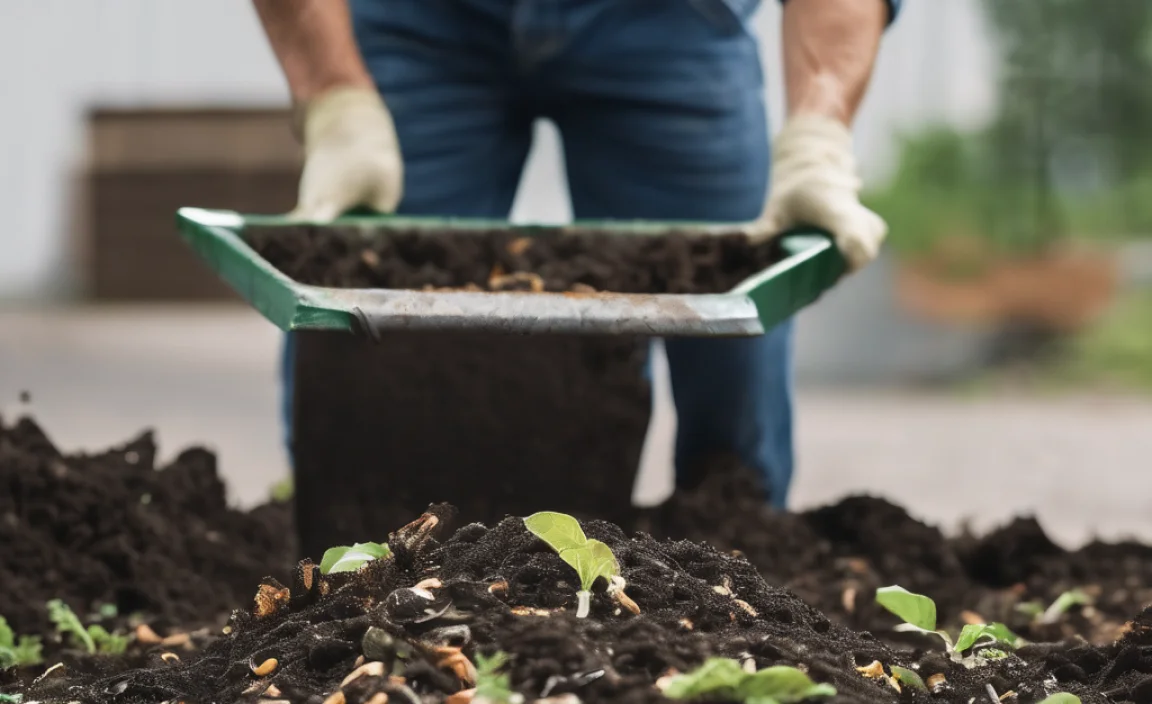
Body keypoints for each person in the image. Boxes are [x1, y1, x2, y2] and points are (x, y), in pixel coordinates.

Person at [253, 0, 899, 510]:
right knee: (366, 328)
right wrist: (333, 91)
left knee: (733, 345)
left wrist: (820, 124)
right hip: (421, 18)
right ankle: (357, 591)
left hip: (669, 18)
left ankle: (734, 582)